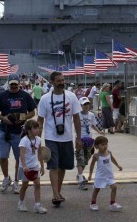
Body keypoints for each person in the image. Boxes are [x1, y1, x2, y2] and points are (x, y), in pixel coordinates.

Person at [37, 71, 82, 205]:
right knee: (53, 166)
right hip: (51, 137)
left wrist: (78, 137)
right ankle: (55, 194)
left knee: (63, 166)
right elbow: (40, 121)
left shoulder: (71, 96)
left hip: (67, 137)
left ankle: (58, 191)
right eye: (59, 81)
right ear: (52, 82)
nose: (62, 83)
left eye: (63, 80)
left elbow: (76, 118)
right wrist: (37, 140)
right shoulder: (45, 99)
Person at [0, 73, 36, 194]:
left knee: (19, 158)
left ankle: (17, 181)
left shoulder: (25, 96)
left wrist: (24, 117)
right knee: (3, 156)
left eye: (15, 85)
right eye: (11, 85)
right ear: (8, 84)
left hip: (20, 132)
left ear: (19, 84)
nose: (13, 87)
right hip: (4, 130)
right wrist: (3, 118)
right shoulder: (2, 96)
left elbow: (32, 112)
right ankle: (6, 178)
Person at [17, 119, 47, 214]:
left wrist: (42, 166)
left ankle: (37, 205)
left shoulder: (38, 139)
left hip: (34, 166)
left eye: (38, 127)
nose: (38, 130)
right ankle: (21, 202)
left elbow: (40, 153)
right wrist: (24, 166)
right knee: (25, 185)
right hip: (25, 168)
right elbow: (21, 155)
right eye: (35, 128)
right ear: (29, 130)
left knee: (37, 184)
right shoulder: (24, 140)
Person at [76, 97, 104, 191]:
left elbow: (92, 125)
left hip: (89, 140)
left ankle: (79, 175)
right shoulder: (76, 115)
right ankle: (80, 180)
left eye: (87, 104)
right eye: (84, 104)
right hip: (79, 139)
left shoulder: (91, 115)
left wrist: (99, 132)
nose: (86, 106)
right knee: (80, 158)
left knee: (86, 159)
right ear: (80, 106)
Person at [88, 136, 123, 211]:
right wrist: (90, 174)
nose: (105, 146)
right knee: (97, 189)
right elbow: (92, 165)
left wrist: (118, 165)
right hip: (100, 176)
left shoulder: (109, 152)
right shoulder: (96, 156)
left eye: (106, 144)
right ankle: (93, 203)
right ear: (97, 146)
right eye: (103, 144)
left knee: (114, 187)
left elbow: (112, 159)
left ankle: (112, 203)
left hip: (109, 175)